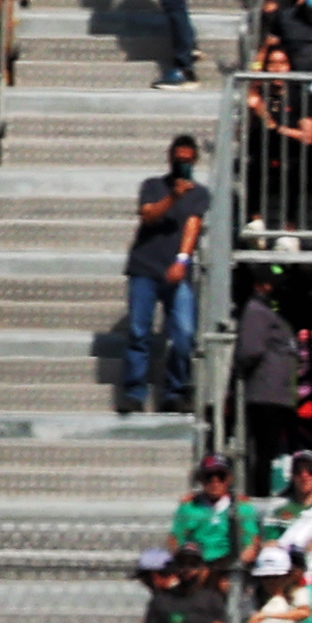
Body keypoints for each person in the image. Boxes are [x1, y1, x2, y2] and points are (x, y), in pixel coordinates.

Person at [122, 132, 204, 419]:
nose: (181, 164)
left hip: (175, 270)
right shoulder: (153, 186)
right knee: (138, 331)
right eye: (177, 159)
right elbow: (148, 215)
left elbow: (193, 226)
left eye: (187, 160)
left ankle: (174, 390)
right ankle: (134, 392)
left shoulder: (200, 193)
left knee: (184, 333)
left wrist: (182, 259)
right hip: (145, 267)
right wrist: (172, 197)